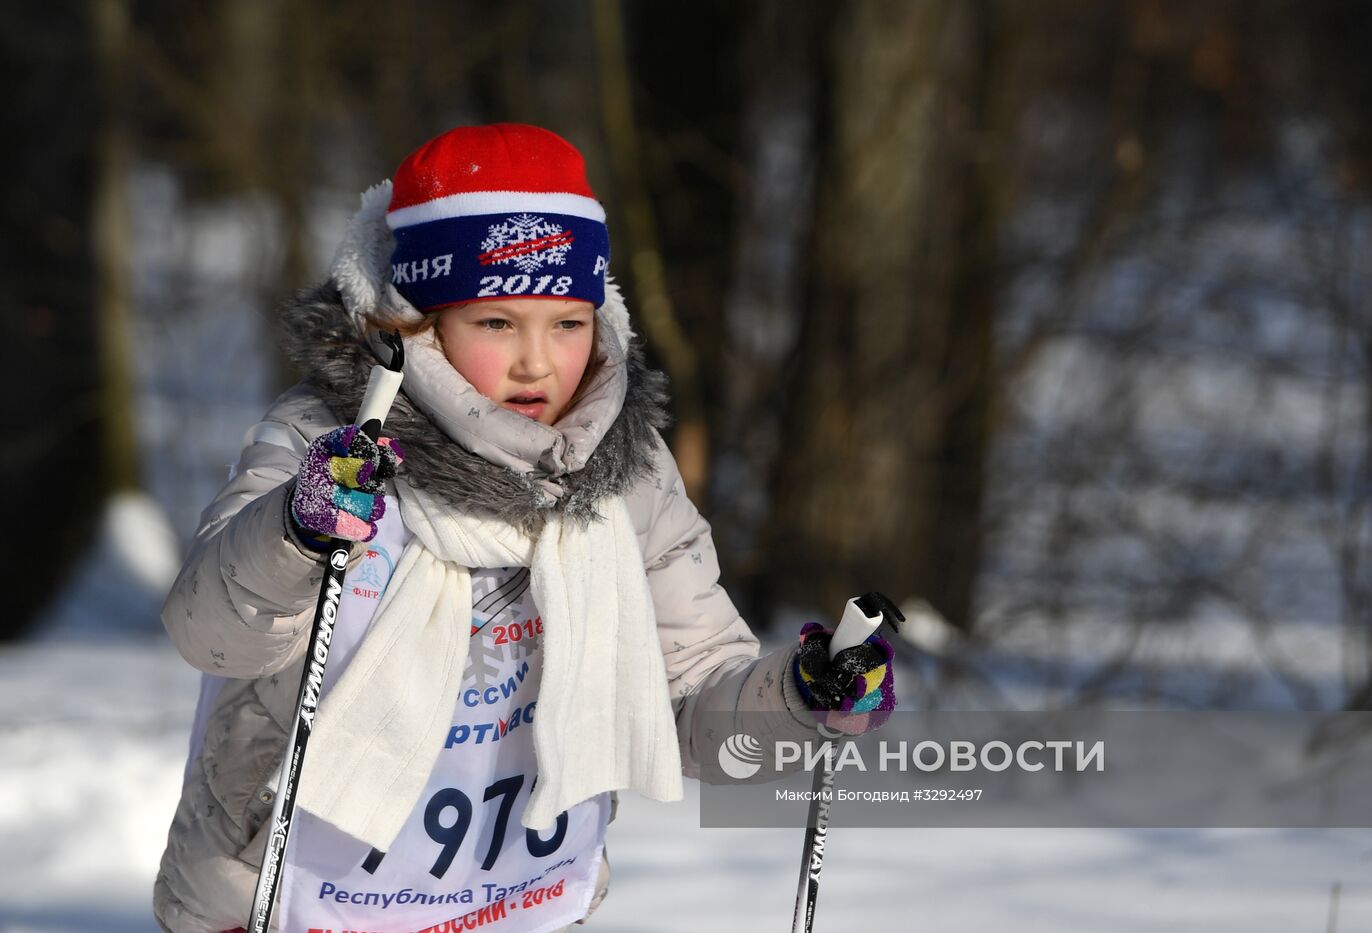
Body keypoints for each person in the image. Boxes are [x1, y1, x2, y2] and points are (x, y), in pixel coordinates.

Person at [153, 123, 897, 933]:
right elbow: (212, 632)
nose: (538, 363)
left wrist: (797, 695)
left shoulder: (628, 474)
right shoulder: (329, 445)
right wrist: (295, 531)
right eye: (497, 324)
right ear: (419, 322)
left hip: (514, 906)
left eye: (568, 323)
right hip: (293, 900)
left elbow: (694, 699)